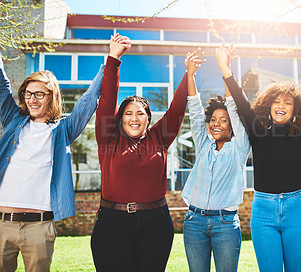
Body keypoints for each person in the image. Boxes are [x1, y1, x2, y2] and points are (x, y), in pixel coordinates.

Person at [217, 43, 301, 272]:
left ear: (295, 110)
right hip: (263, 212)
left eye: (288, 102)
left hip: (296, 210)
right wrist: (225, 68)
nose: (282, 105)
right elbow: (242, 103)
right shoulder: (258, 131)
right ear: (269, 106)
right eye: (277, 101)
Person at [90, 35, 192, 271]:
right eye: (128, 113)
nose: (134, 118)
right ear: (119, 118)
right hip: (112, 224)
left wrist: (189, 73)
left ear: (148, 118)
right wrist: (114, 58)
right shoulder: (108, 138)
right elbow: (106, 101)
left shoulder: (160, 137)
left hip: (155, 224)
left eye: (140, 113)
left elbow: (177, 108)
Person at [0, 44, 104, 271]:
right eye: (28, 94)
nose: (32, 99)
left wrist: (112, 58)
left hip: (39, 226)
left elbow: (88, 101)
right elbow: (1, 85)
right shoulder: (12, 121)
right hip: (2, 223)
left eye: (39, 94)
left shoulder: (63, 131)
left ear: (52, 96)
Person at [181, 48, 250, 272]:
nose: (216, 124)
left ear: (232, 125)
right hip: (194, 222)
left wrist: (224, 68)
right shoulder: (204, 144)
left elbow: (233, 105)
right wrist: (190, 75)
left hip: (226, 225)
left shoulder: (239, 147)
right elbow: (194, 109)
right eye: (213, 119)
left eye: (223, 120)